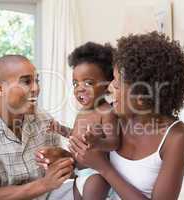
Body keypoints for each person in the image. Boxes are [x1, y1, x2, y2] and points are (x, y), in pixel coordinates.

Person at [70, 31, 184, 200]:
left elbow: (98, 163)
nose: (110, 88)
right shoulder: (111, 115)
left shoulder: (177, 137)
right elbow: (86, 162)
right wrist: (62, 160)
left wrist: (104, 167)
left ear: (142, 97)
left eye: (118, 84)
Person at [0, 55, 74, 200]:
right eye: (26, 82)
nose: (36, 88)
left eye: (36, 81)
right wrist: (44, 184)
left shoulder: (43, 119)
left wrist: (62, 157)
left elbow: (64, 171)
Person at [41, 42, 120, 200]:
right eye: (75, 83)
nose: (79, 88)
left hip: (96, 175)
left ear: (107, 85)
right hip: (78, 174)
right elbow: (76, 134)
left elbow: (114, 142)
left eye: (88, 82)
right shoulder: (82, 112)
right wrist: (61, 129)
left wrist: (98, 142)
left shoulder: (106, 112)